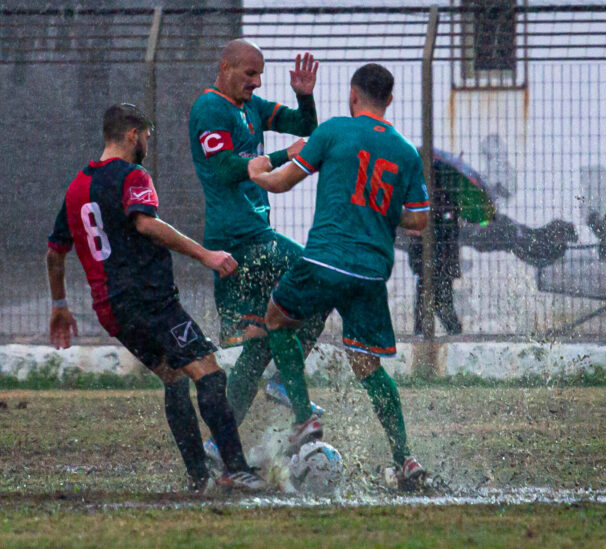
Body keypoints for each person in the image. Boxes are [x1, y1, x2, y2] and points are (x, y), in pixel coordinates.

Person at [46, 103, 264, 493]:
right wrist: (206, 255)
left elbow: (54, 253)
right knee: (209, 372)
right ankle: (236, 468)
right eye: (147, 134)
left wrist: (60, 305)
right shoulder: (133, 175)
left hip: (112, 311)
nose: (147, 141)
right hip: (150, 300)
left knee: (174, 377)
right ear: (133, 134)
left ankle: (199, 477)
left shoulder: (76, 187)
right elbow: (145, 223)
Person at [250, 63, 431, 490]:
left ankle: (303, 416)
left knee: (276, 318)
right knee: (367, 364)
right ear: (389, 100)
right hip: (371, 273)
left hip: (325, 261)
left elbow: (281, 182)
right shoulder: (406, 152)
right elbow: (419, 220)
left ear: (353, 97)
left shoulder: (333, 131)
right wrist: (383, 211)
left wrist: (256, 172)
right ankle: (405, 459)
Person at [188, 39, 326, 463]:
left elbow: (304, 125)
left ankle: (218, 443)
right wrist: (282, 156)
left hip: (256, 233)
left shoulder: (252, 107)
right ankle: (287, 384)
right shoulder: (210, 108)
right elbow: (223, 166)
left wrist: (305, 94)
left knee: (263, 341)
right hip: (238, 239)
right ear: (225, 66)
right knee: (317, 275)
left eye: (260, 74)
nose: (256, 81)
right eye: (249, 73)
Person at [406, 160, 463, 335]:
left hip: (440, 265)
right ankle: (431, 338)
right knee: (426, 307)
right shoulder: (422, 200)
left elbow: (448, 234)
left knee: (440, 306)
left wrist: (423, 229)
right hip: (427, 265)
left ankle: (454, 336)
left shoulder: (443, 201)